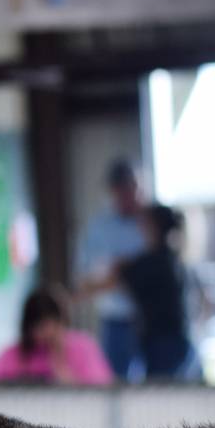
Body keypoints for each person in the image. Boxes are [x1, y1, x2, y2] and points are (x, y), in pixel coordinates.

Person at [83, 204, 199, 381]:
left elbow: (108, 282)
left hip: (164, 346)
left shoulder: (152, 264)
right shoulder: (171, 259)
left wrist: (71, 297)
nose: (139, 227)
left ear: (153, 227)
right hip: (176, 343)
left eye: (144, 223)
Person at [75, 160, 147, 380]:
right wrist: (115, 276)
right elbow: (84, 280)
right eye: (122, 189)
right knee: (117, 384)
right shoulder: (99, 227)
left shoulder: (150, 221)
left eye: (132, 188)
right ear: (113, 191)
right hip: (115, 320)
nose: (128, 195)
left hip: (151, 320)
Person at [0, 287, 114, 385]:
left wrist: (62, 366)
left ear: (61, 321)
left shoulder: (84, 348)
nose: (45, 334)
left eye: (49, 325)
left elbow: (101, 392)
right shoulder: (13, 355)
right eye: (39, 327)